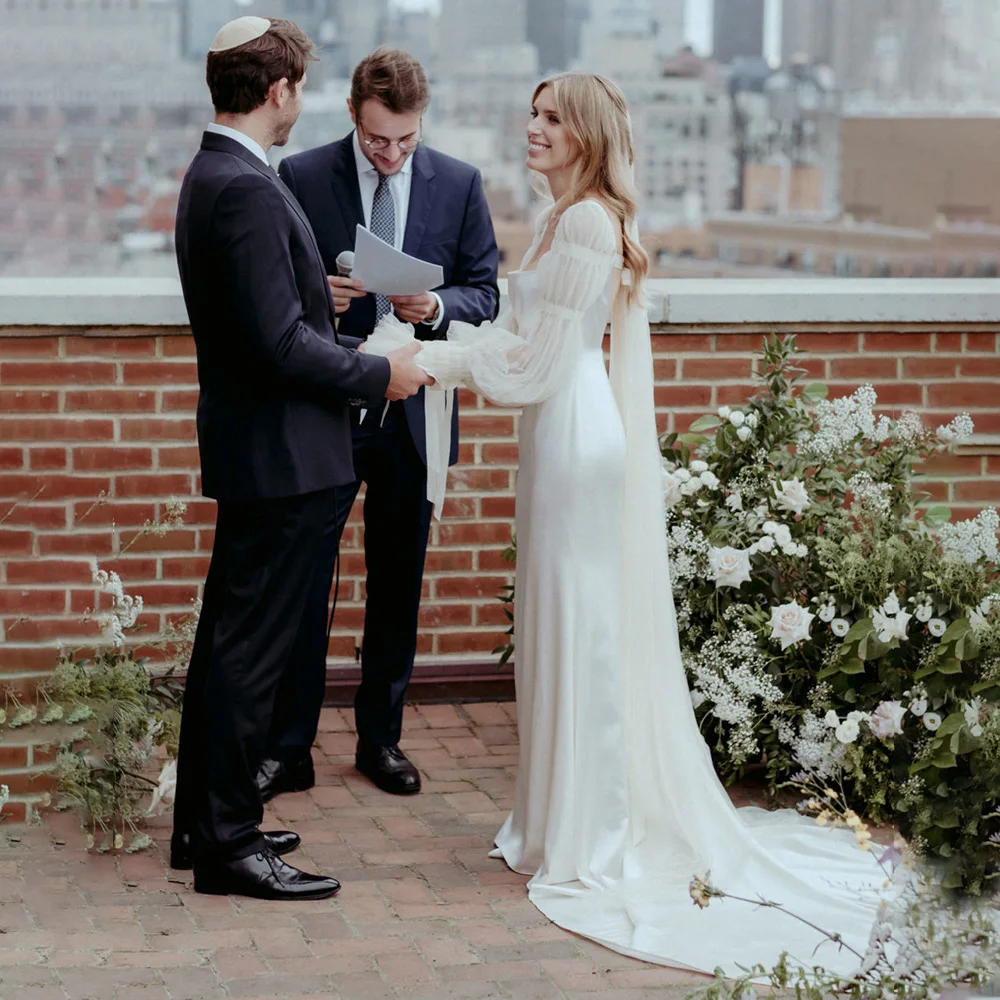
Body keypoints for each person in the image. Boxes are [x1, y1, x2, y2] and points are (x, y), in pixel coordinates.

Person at [377, 72, 885, 975]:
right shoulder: (570, 216)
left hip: (575, 436)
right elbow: (525, 343)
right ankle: (558, 815)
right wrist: (439, 345)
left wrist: (429, 361)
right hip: (561, 432)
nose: (532, 126)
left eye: (550, 117)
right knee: (562, 620)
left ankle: (589, 828)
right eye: (528, 112)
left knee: (582, 626)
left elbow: (535, 365)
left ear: (587, 132)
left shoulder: (583, 224)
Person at [170, 16, 432, 900]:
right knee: (251, 654)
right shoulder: (243, 182)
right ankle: (230, 844)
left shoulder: (219, 171)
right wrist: (378, 372)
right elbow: (280, 347)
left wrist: (303, 291)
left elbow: (263, 314)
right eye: (301, 91)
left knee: (228, 646)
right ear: (279, 91)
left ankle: (203, 824)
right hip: (282, 457)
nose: (299, 105)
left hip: (265, 451)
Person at [256, 47, 499, 801]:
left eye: (405, 141)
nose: (391, 155)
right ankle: (288, 748)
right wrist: (316, 296)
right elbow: (278, 300)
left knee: (398, 582)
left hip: (413, 413)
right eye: (375, 140)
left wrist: (437, 308)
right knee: (305, 581)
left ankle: (380, 740)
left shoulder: (459, 184)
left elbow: (485, 292)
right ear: (353, 116)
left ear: (421, 125)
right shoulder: (299, 177)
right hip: (324, 409)